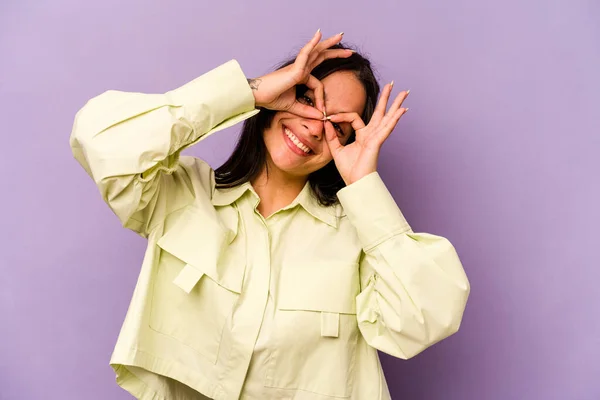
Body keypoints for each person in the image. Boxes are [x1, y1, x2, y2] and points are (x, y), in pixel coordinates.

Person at [70, 29, 470, 400]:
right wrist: (250, 92)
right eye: (309, 100)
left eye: (339, 128)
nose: (316, 127)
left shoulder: (358, 236)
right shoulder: (183, 194)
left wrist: (364, 185)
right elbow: (99, 138)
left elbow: (425, 318)